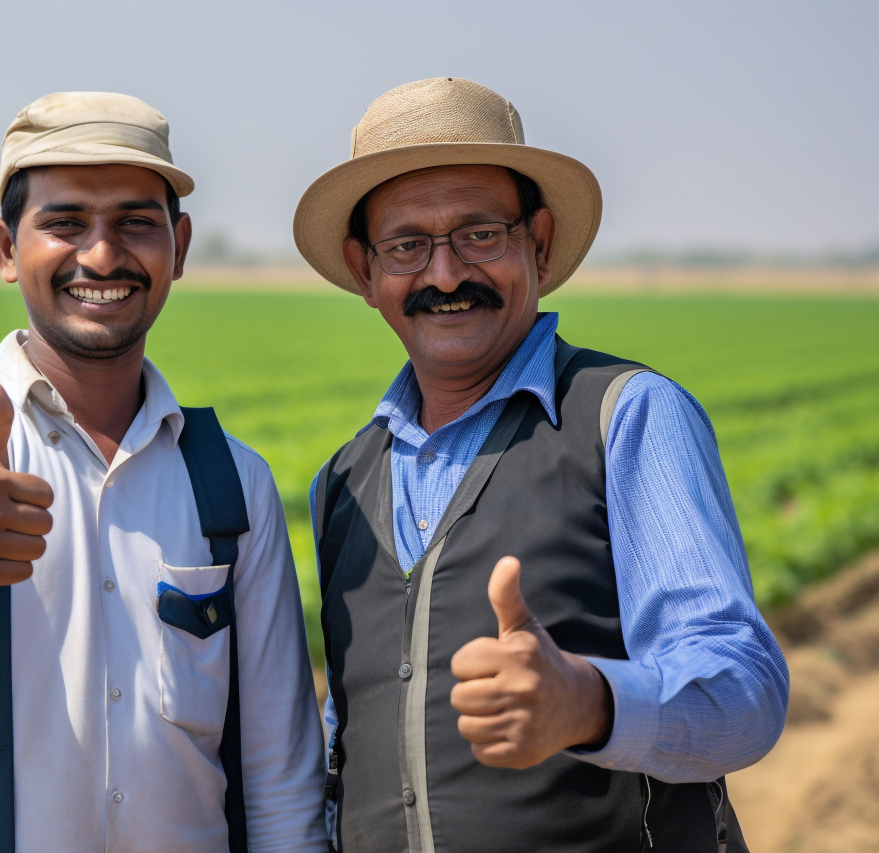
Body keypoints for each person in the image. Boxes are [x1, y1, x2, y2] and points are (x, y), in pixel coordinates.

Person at [0, 91, 325, 852]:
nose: (102, 256)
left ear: (179, 245)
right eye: (65, 223)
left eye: (135, 223)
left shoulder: (232, 480)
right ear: (6, 249)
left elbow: (279, 774)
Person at [293, 77, 789, 852]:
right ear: (365, 270)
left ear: (542, 240)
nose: (445, 273)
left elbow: (745, 690)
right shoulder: (343, 482)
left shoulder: (626, 415)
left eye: (481, 233)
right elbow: (347, 734)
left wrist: (589, 702)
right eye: (407, 245)